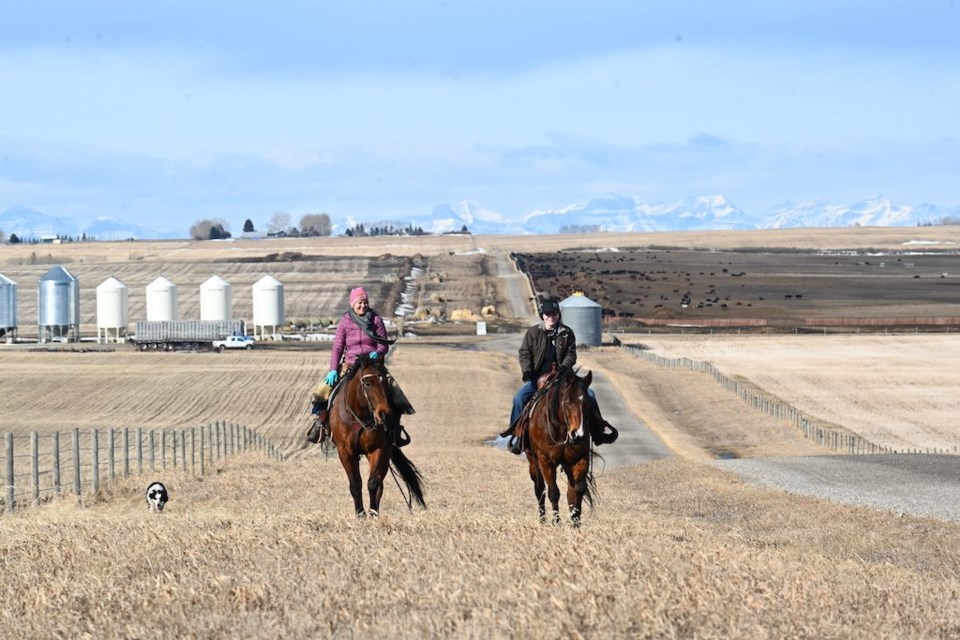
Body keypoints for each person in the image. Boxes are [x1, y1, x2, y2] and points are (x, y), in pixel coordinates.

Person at [503, 297, 618, 453]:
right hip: (538, 378)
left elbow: (571, 354)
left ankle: (598, 432)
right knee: (519, 398)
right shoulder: (533, 333)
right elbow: (524, 353)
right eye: (548, 314)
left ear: (558, 315)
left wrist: (565, 367)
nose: (551, 317)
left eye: (554, 314)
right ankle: (517, 436)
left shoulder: (566, 333)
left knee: (589, 394)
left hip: (564, 377)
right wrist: (527, 371)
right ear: (542, 315)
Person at [305, 287, 414, 444]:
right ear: (353, 304)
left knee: (394, 390)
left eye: (365, 302)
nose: (363, 305)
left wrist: (378, 353)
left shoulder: (376, 320)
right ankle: (320, 424)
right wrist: (333, 370)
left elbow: (383, 344)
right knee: (321, 391)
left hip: (373, 364)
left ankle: (395, 429)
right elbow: (337, 348)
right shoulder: (345, 322)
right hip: (350, 364)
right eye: (359, 302)